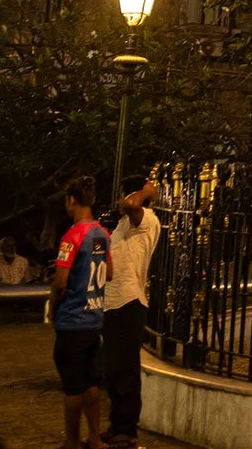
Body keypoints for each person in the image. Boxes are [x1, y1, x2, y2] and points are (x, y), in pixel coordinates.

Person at [50, 176, 111, 449]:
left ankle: (72, 441)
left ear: (72, 200)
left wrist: (53, 306)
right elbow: (110, 272)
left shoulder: (72, 235)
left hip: (73, 319)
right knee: (90, 382)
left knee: (73, 386)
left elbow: (60, 282)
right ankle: (96, 438)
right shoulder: (103, 234)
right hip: (94, 317)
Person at [102, 176, 160, 449]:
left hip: (130, 300)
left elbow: (132, 202)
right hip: (113, 302)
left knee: (126, 368)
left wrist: (146, 191)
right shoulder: (125, 223)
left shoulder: (146, 217)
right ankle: (117, 424)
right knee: (114, 368)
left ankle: (127, 428)